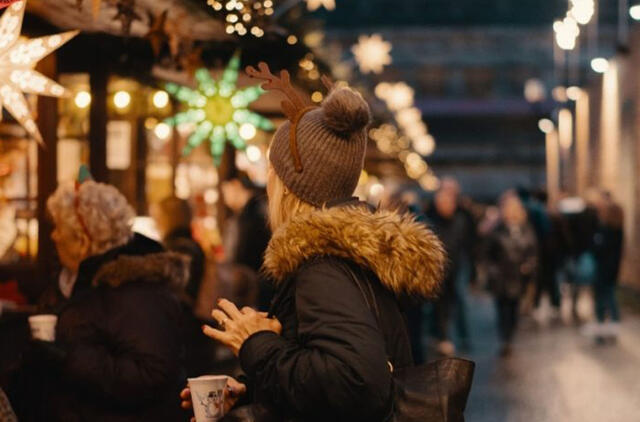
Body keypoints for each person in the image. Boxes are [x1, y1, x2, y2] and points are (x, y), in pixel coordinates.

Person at [182, 71, 446, 421]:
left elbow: (357, 383)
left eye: (273, 173)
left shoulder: (323, 266)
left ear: (290, 186)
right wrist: (254, 388)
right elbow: (324, 377)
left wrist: (256, 344)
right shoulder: (351, 254)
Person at [15, 168, 188, 421]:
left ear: (83, 239)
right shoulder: (69, 281)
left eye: (58, 227)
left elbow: (151, 376)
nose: (53, 236)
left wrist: (67, 358)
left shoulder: (139, 291)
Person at [486, 193, 538, 356]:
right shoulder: (497, 230)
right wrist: (493, 271)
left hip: (518, 277)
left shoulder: (526, 229)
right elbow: (488, 254)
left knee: (513, 309)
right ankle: (505, 339)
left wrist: (529, 265)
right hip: (501, 277)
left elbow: (533, 251)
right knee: (502, 309)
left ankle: (509, 337)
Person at [220, 172, 272, 311]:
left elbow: (245, 255)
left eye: (225, 190)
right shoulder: (255, 210)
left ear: (235, 185)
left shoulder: (253, 215)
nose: (225, 198)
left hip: (256, 289)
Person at [426, 185, 468, 356]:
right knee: (440, 306)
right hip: (438, 270)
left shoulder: (461, 220)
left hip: (457, 267)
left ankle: (462, 336)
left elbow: (467, 243)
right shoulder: (430, 221)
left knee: (458, 303)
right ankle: (443, 336)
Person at [592, 192, 624, 344]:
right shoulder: (618, 230)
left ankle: (601, 330)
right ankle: (611, 329)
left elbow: (598, 249)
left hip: (603, 270)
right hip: (612, 270)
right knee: (610, 300)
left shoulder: (605, 230)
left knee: (602, 301)